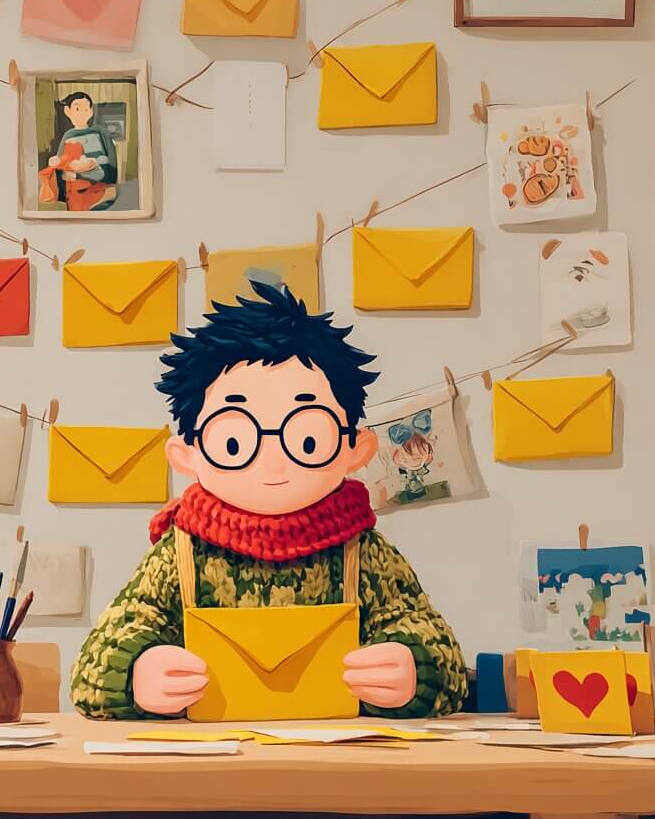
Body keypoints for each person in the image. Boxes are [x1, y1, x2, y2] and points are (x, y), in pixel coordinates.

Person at [71, 283, 468, 719]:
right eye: (235, 439)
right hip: (211, 766)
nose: (274, 460)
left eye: (308, 436)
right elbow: (96, 661)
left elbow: (434, 644)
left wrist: (414, 668)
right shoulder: (181, 553)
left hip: (338, 764)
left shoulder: (362, 552)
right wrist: (135, 673)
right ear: (187, 456)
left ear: (357, 449)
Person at [48, 91, 118, 212]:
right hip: (76, 193)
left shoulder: (100, 133)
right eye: (77, 109)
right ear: (67, 111)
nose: (81, 113)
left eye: (86, 109)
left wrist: (93, 165)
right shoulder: (68, 136)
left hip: (99, 190)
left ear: (91, 112)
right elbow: (61, 167)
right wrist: (56, 163)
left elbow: (111, 164)